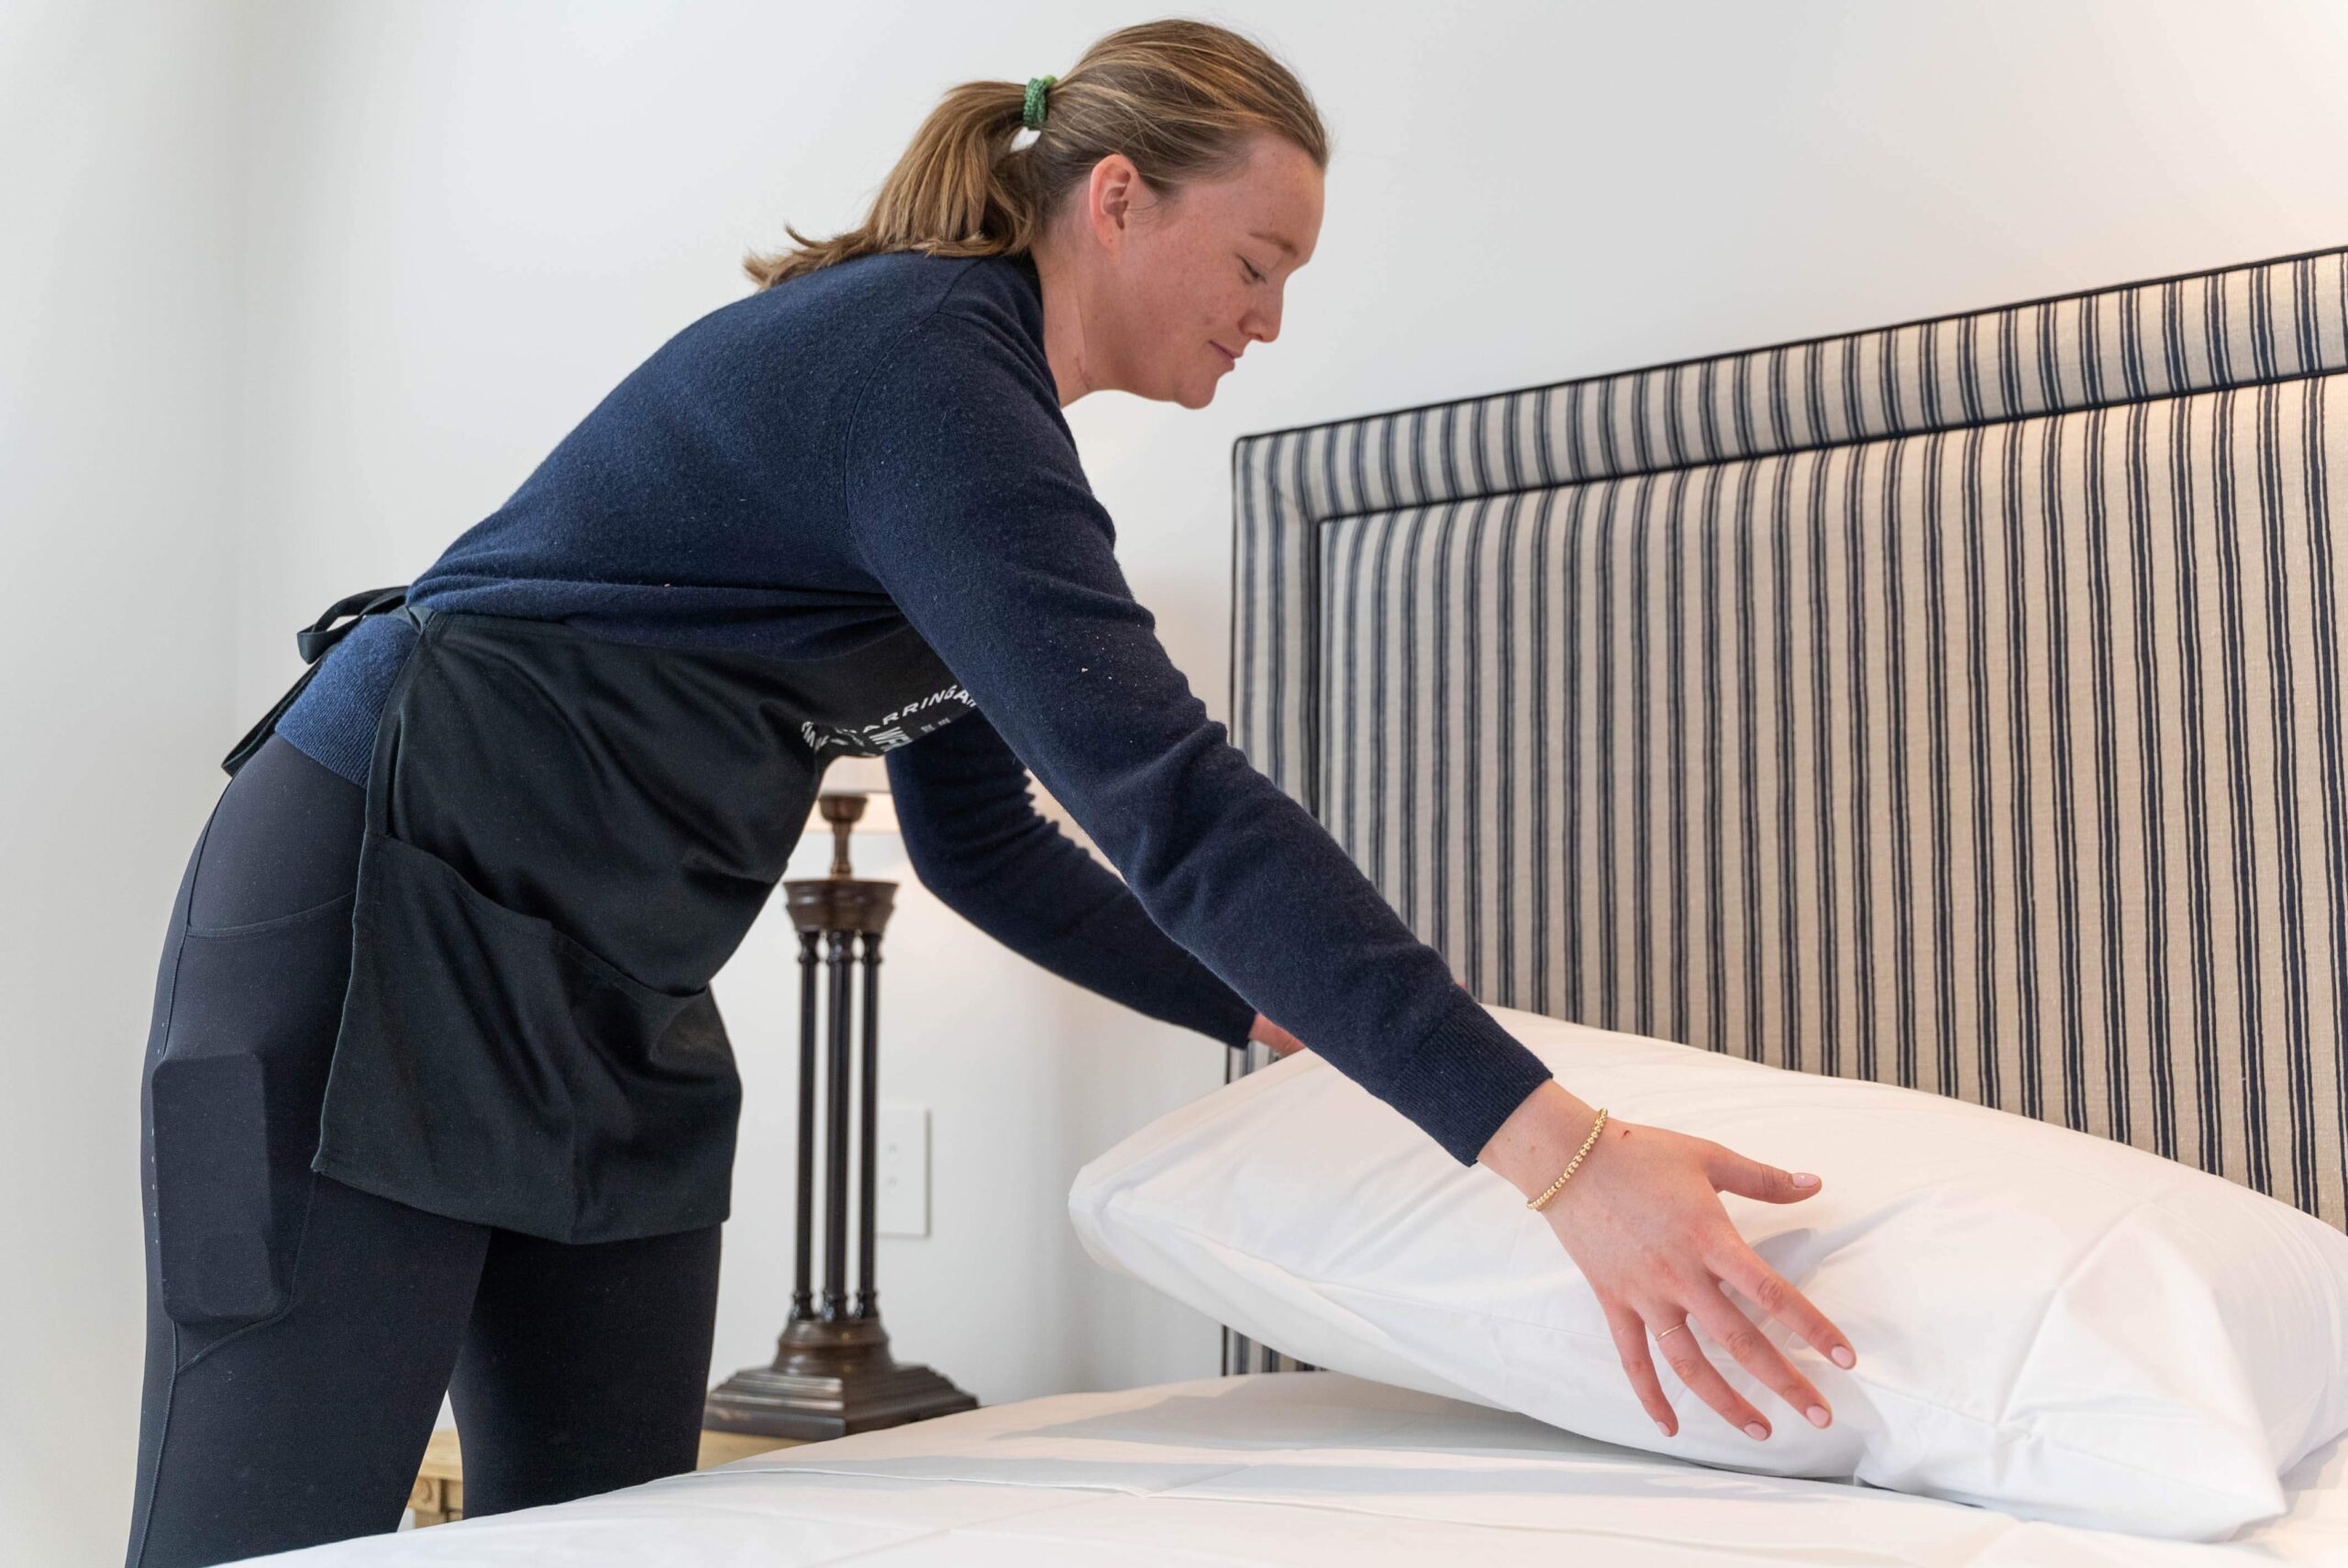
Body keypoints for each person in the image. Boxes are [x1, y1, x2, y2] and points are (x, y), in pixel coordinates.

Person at [126, 17, 1856, 1567]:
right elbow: (1170, 794)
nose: (1269, 318)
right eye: (1256, 261)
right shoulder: (922, 372)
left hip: (610, 990)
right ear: (1117, 197)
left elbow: (984, 850)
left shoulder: (975, 440)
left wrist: (1273, 1017)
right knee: (263, 1534)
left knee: (608, 1534)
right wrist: (1568, 1160)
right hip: (373, 906)